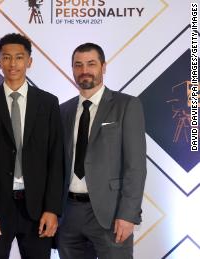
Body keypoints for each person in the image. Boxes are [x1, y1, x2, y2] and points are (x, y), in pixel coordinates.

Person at [0, 33, 64, 259]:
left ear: (29, 61)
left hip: (37, 209)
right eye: (6, 58)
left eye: (19, 58)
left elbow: (56, 159)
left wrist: (52, 209)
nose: (13, 64)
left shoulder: (48, 103)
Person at [58, 42, 147, 259]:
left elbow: (135, 167)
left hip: (111, 214)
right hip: (68, 214)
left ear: (103, 67)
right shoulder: (63, 110)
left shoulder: (126, 105)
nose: (84, 70)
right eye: (78, 65)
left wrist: (128, 215)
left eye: (91, 64)